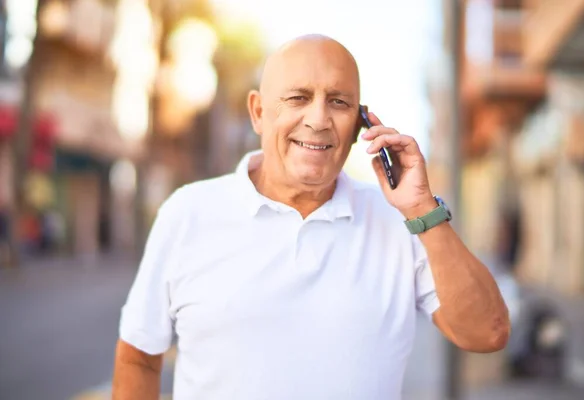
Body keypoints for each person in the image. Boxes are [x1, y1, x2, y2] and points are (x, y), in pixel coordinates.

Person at [112, 35, 509, 399]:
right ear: (258, 112)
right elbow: (139, 358)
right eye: (298, 98)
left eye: (338, 101)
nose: (318, 120)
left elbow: (488, 332)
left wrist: (423, 209)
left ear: (360, 125)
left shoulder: (402, 222)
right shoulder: (188, 212)